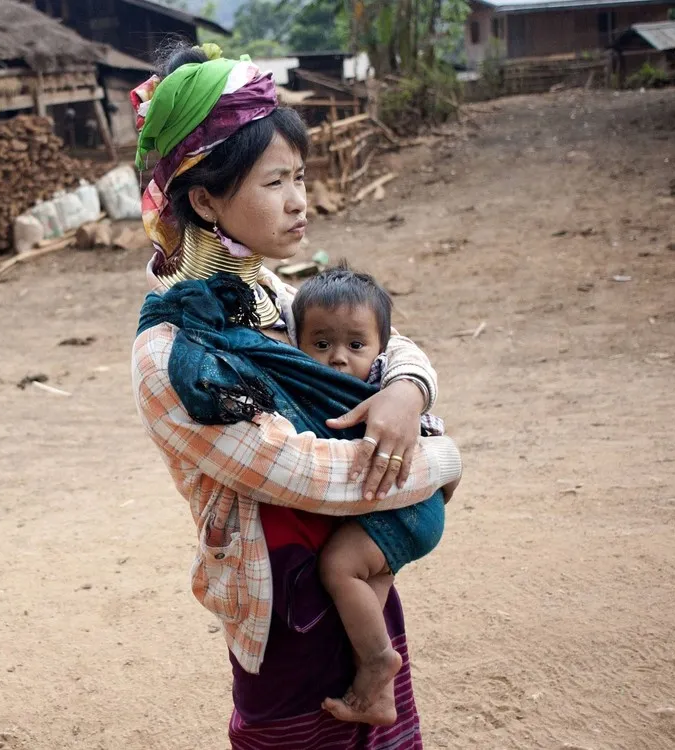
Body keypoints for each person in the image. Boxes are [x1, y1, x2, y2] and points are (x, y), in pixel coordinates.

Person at [130, 43, 463, 749]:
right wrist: (443, 460)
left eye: (300, 177)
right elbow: (300, 473)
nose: (299, 200)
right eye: (275, 181)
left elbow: (379, 338)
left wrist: (407, 387)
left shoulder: (269, 296)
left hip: (359, 580)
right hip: (282, 610)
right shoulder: (173, 354)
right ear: (206, 199)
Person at [292, 265, 450, 723]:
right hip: (406, 511)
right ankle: (377, 691)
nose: (339, 358)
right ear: (296, 341)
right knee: (369, 584)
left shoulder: (378, 389)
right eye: (321, 344)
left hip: (406, 506)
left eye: (355, 345)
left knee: (339, 567)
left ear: (382, 348)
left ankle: (380, 658)